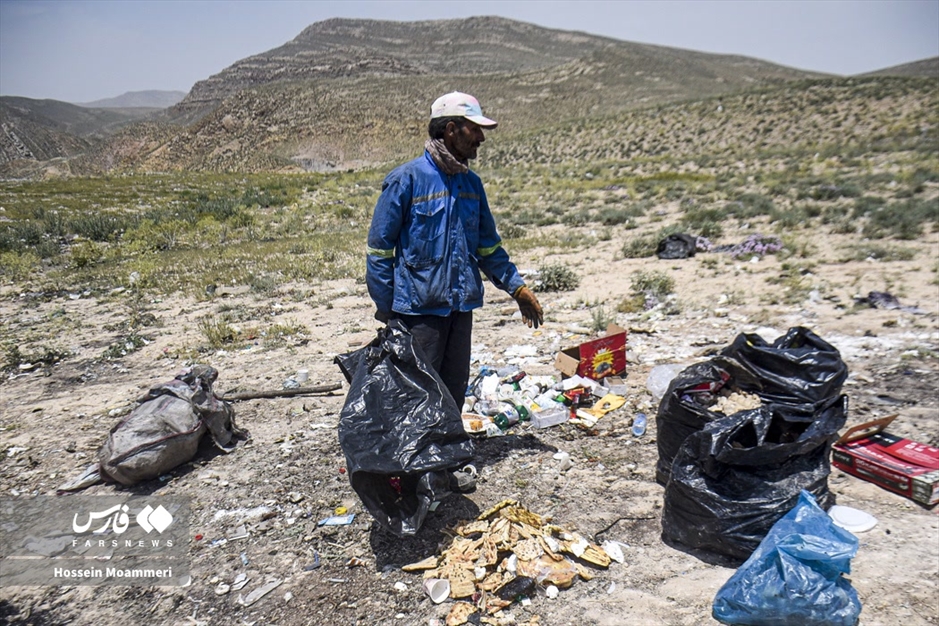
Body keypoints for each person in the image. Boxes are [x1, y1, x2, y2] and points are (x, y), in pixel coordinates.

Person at [366, 92, 543, 488]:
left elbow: (488, 247)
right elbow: (379, 251)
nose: (481, 138)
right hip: (417, 310)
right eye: (474, 129)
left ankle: (440, 462)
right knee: (418, 392)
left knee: (453, 388)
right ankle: (410, 469)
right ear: (451, 129)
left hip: (460, 306)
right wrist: (387, 309)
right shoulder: (406, 180)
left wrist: (517, 288)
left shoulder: (471, 186)